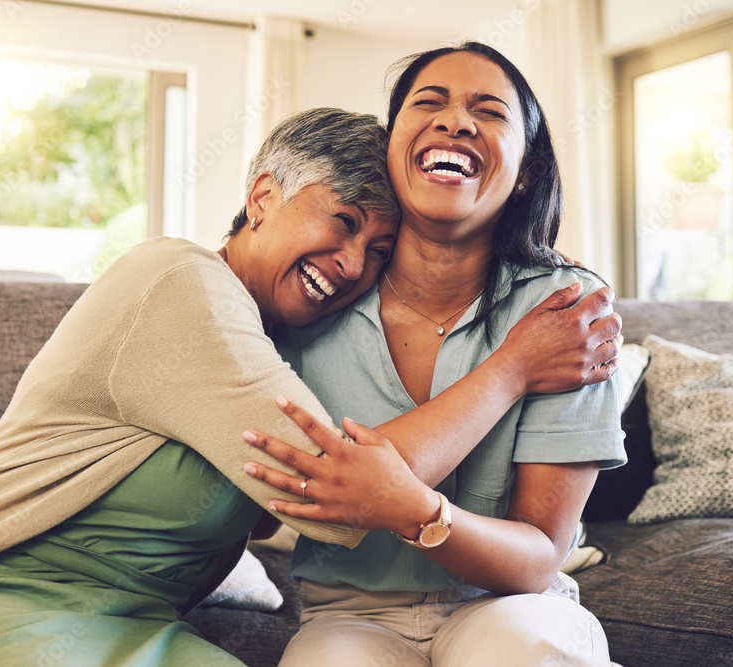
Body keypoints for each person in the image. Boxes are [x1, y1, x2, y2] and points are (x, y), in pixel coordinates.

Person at [0, 108, 618, 667]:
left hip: (129, 625)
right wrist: (513, 364)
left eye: (377, 248)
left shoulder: (286, 342)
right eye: (341, 221)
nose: (352, 264)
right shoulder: (178, 281)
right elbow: (331, 489)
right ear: (263, 195)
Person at [243, 43, 627, 666]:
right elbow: (286, 491)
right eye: (429, 103)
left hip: (508, 603)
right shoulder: (315, 292)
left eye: (490, 111)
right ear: (390, 150)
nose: (456, 121)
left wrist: (421, 512)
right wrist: (512, 370)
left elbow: (537, 557)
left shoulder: (566, 311)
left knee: (522, 650)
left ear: (526, 169)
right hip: (349, 611)